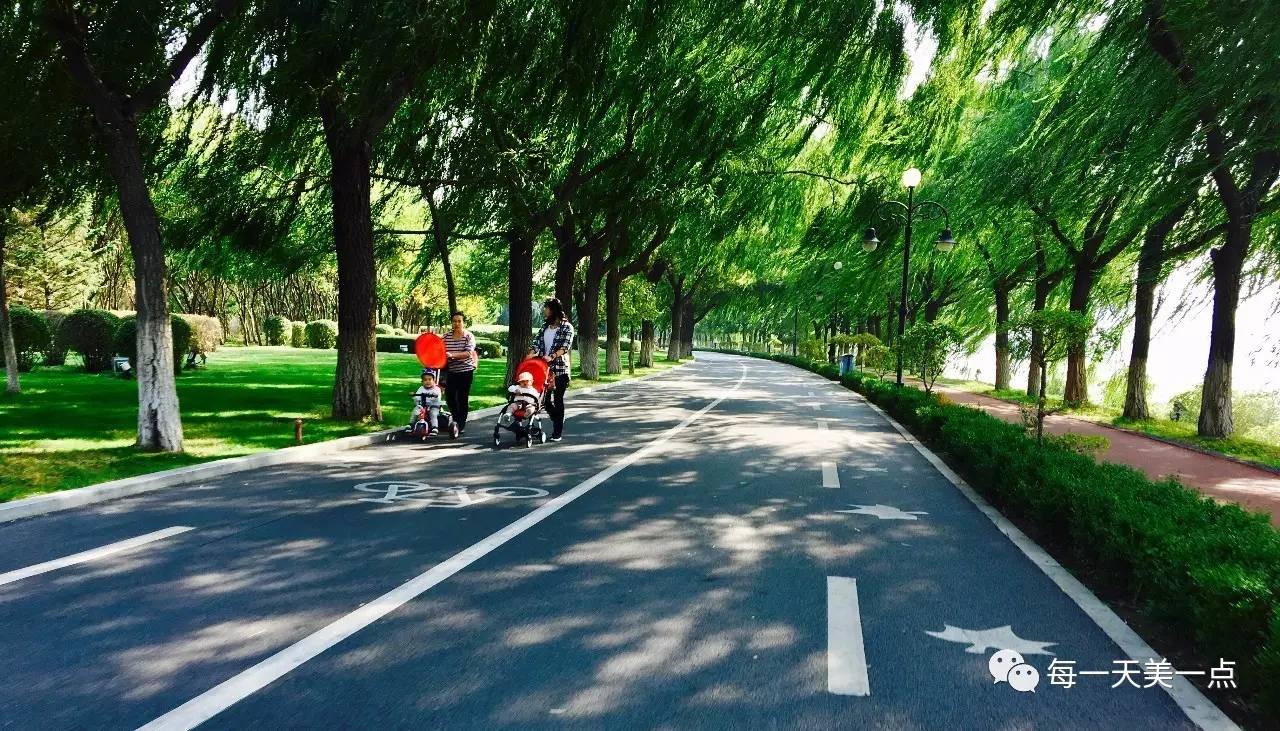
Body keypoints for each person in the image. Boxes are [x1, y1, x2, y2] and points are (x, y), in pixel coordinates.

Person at [529, 297, 575, 442]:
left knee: (558, 399)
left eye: (547, 308)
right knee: (545, 400)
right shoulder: (544, 326)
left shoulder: (567, 327)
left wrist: (553, 356)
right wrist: (530, 353)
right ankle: (558, 420)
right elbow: (536, 342)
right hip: (544, 368)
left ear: (553, 310)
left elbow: (565, 347)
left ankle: (557, 431)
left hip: (560, 369)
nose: (544, 310)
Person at [442, 311, 477, 435]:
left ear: (463, 322)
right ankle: (456, 419)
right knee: (450, 397)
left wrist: (452, 355)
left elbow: (468, 353)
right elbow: (438, 350)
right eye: (454, 321)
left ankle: (460, 424)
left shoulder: (468, 336)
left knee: (462, 397)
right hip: (451, 371)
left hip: (466, 370)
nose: (456, 323)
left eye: (459, 321)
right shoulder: (445, 337)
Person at [408, 369, 444, 435]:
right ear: (422, 381)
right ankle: (411, 424)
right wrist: (414, 395)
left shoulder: (436, 389)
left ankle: (434, 427)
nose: (427, 382)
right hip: (423, 405)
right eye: (425, 380)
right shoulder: (421, 388)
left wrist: (435, 396)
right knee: (415, 411)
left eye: (429, 379)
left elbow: (438, 398)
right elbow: (418, 397)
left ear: (434, 380)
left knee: (433, 413)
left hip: (434, 405)